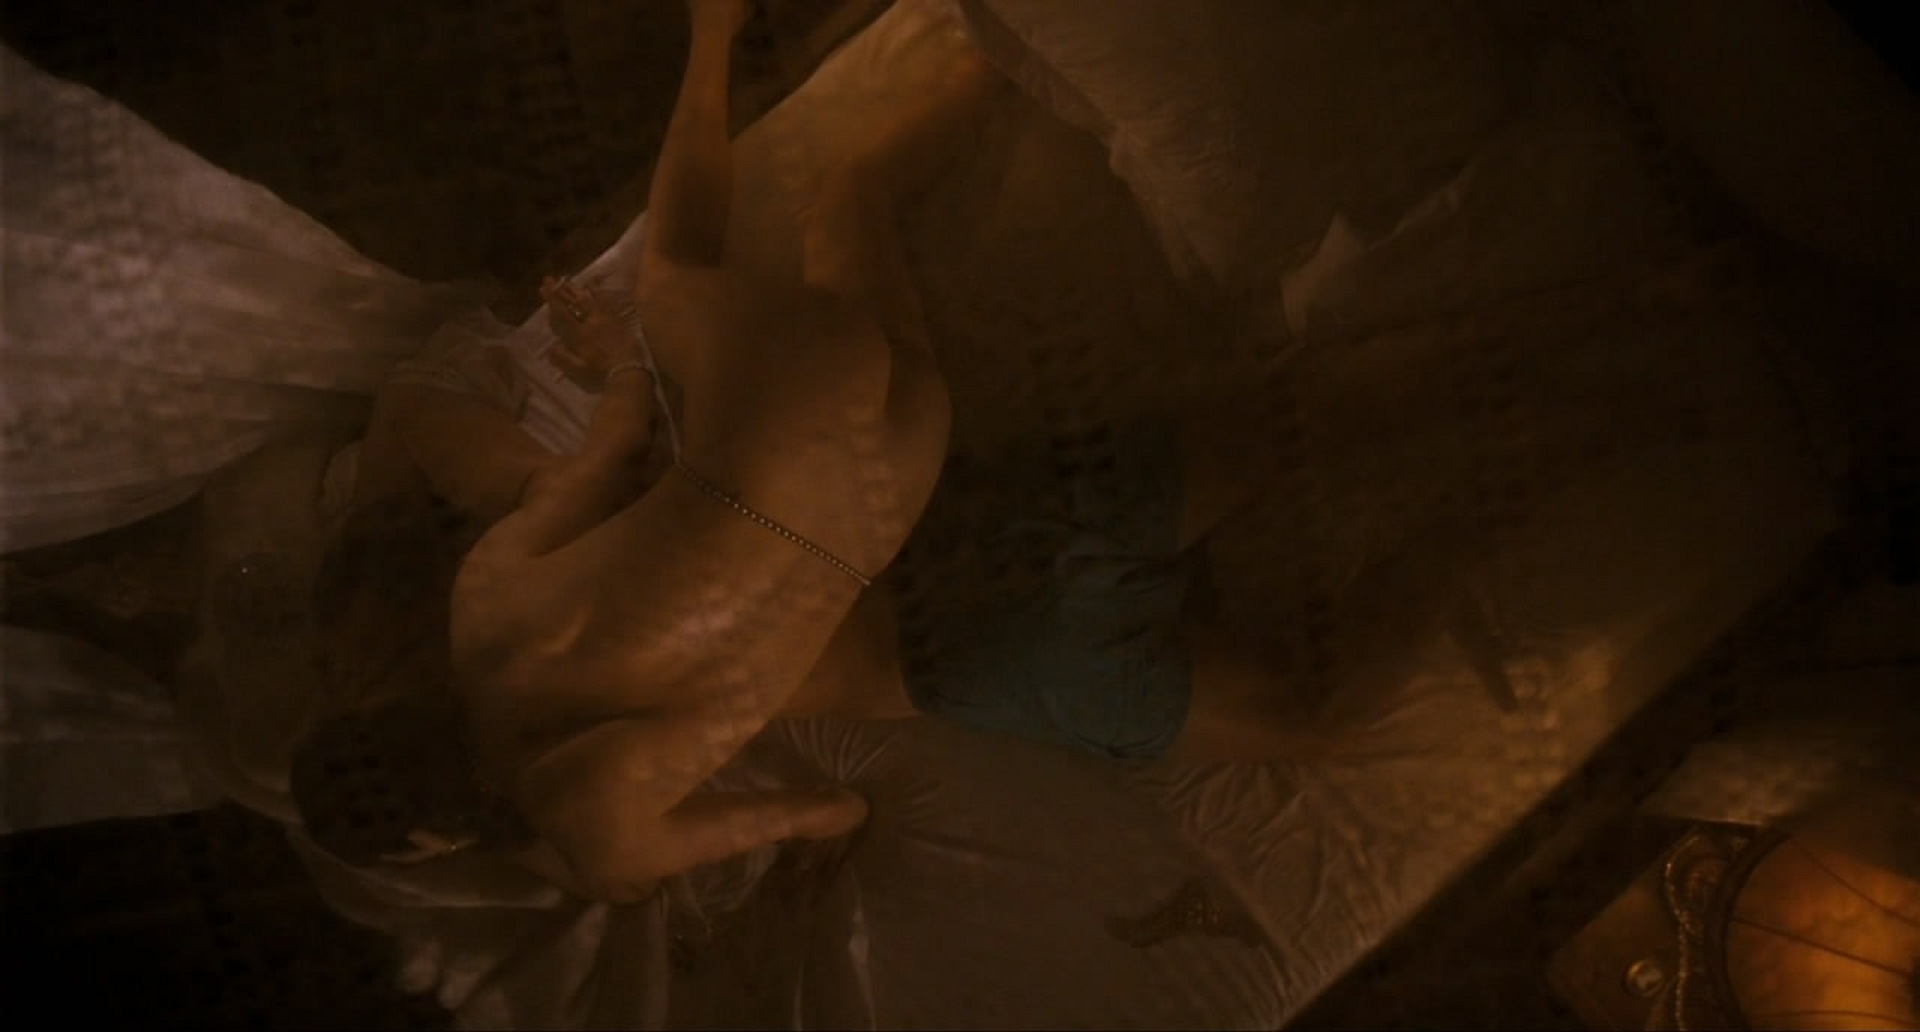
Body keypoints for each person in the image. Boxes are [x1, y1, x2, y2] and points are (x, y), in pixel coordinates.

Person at [290, 0, 1317, 900]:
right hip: (802, 400)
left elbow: (827, 812)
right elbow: (614, 446)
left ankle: (820, 72)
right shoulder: (483, 598)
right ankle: (722, 34)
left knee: (821, 256)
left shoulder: (596, 833)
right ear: (387, 708)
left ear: (434, 840)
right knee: (675, 273)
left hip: (896, 474)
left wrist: (801, 836)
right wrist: (621, 362)